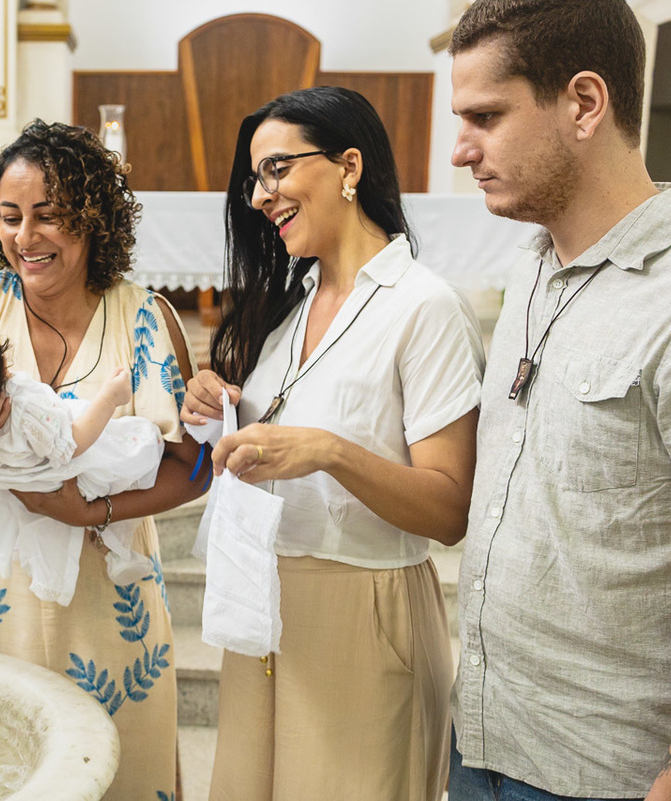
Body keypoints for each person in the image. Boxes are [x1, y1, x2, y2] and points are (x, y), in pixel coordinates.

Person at [182, 86, 485, 800]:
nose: (262, 195)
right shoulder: (288, 308)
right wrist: (216, 408)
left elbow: (449, 511)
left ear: (349, 165)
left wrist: (329, 450)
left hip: (363, 612)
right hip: (262, 606)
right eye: (256, 178)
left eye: (278, 169)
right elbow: (270, 434)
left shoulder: (423, 306)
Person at [0, 119, 207, 799]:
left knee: (115, 764)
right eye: (10, 217)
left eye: (48, 215)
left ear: (93, 218)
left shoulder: (146, 316)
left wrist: (90, 508)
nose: (25, 237)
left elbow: (193, 466)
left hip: (111, 592)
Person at [446, 1, 671, 799]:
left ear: (583, 104)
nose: (458, 150)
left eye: (485, 116)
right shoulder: (531, 267)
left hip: (607, 768)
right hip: (484, 733)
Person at [0, 298, 164, 606]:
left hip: (4, 487)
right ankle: (114, 549)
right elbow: (72, 444)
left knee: (38, 531)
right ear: (4, 363)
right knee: (119, 457)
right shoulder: (25, 406)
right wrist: (109, 398)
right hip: (52, 472)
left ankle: (110, 551)